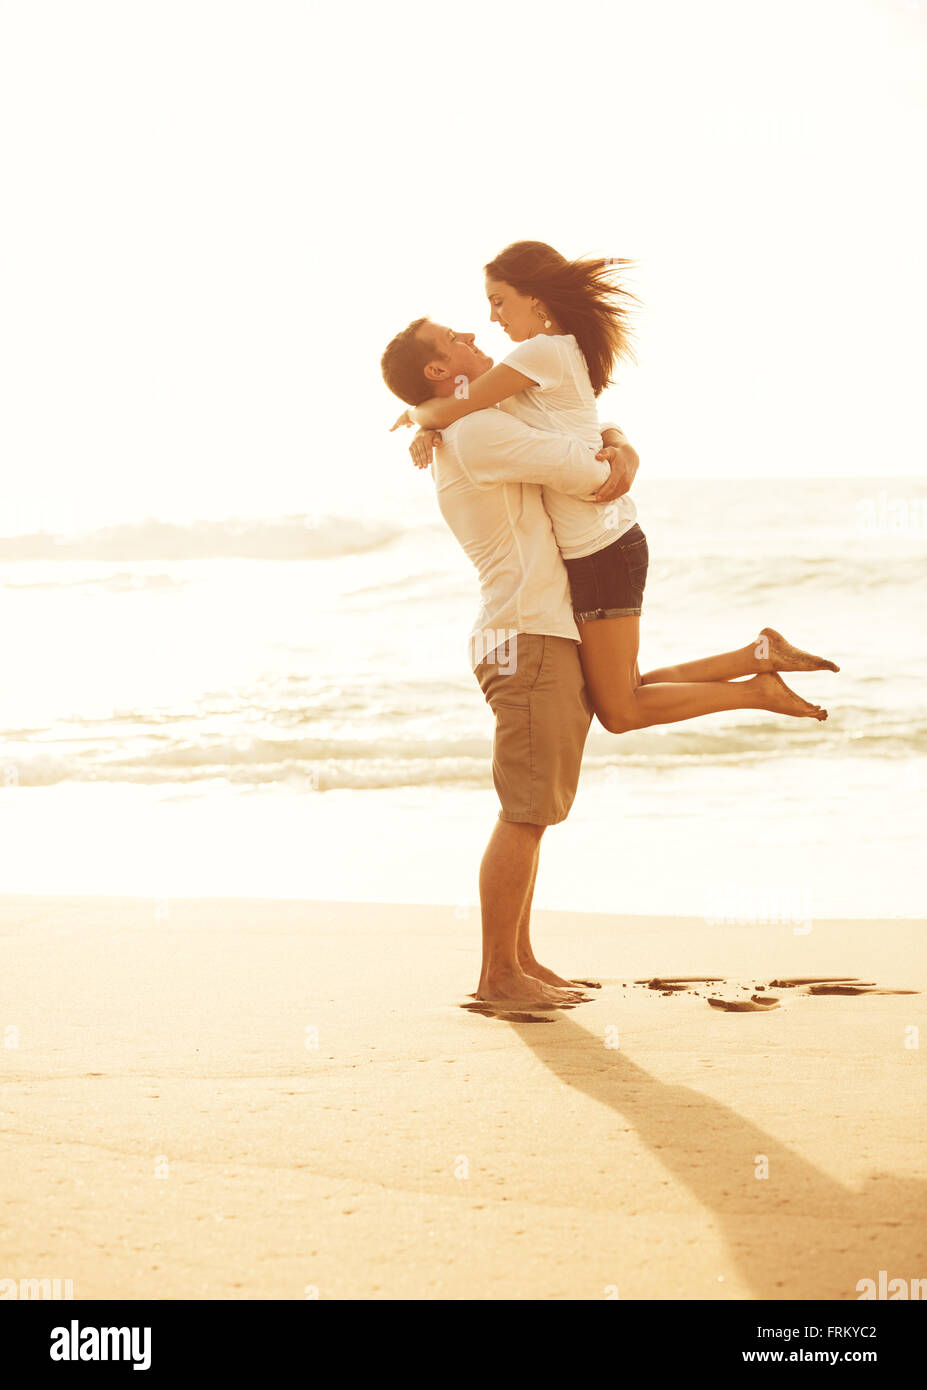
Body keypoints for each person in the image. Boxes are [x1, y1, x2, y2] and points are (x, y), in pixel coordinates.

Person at [393, 241, 839, 733]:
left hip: (602, 546)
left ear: (536, 299)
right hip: (598, 546)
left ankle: (758, 688)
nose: (490, 318)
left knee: (621, 710)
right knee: (625, 690)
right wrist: (426, 425)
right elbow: (481, 409)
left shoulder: (540, 351)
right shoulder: (542, 357)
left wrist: (418, 414)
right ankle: (757, 656)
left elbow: (460, 404)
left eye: (499, 300)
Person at [381, 316, 633, 1007]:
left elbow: (551, 427)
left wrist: (613, 438)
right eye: (454, 335)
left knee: (533, 810)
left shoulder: (466, 418)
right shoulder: (479, 430)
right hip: (525, 636)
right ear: (440, 369)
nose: (472, 332)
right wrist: (617, 454)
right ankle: (496, 977)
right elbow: (584, 475)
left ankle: (519, 960)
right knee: (523, 811)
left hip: (524, 631)